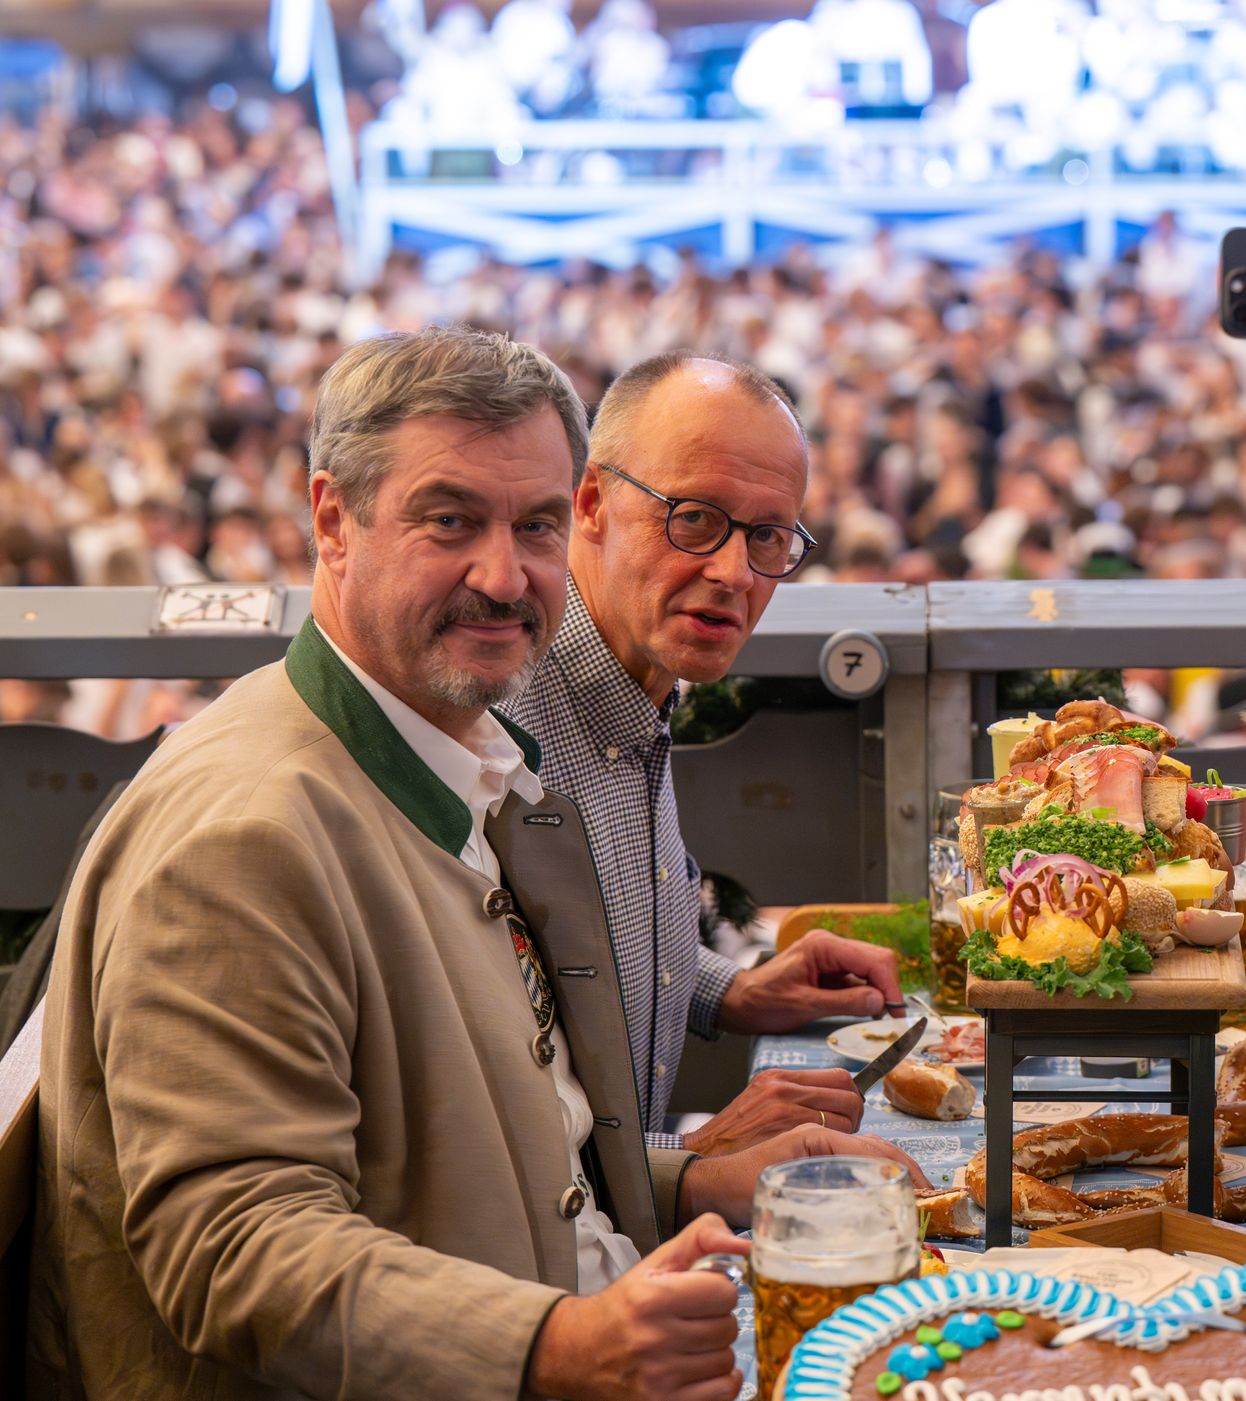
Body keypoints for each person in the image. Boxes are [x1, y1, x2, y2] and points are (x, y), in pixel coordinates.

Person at [30, 327, 922, 1399]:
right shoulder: (246, 832)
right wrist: (561, 1347)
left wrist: (693, 1177)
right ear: (332, 521)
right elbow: (234, 1251)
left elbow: (490, 1144)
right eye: (449, 520)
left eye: (531, 525)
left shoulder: (458, 756)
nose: (503, 577)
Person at [509, 351, 900, 1160]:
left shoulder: (641, 679)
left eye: (768, 536)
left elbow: (578, 962)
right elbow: (489, 1150)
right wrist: (697, 1159)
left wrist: (735, 990)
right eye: (693, 517)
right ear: (590, 503)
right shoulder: (503, 730)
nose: (733, 572)